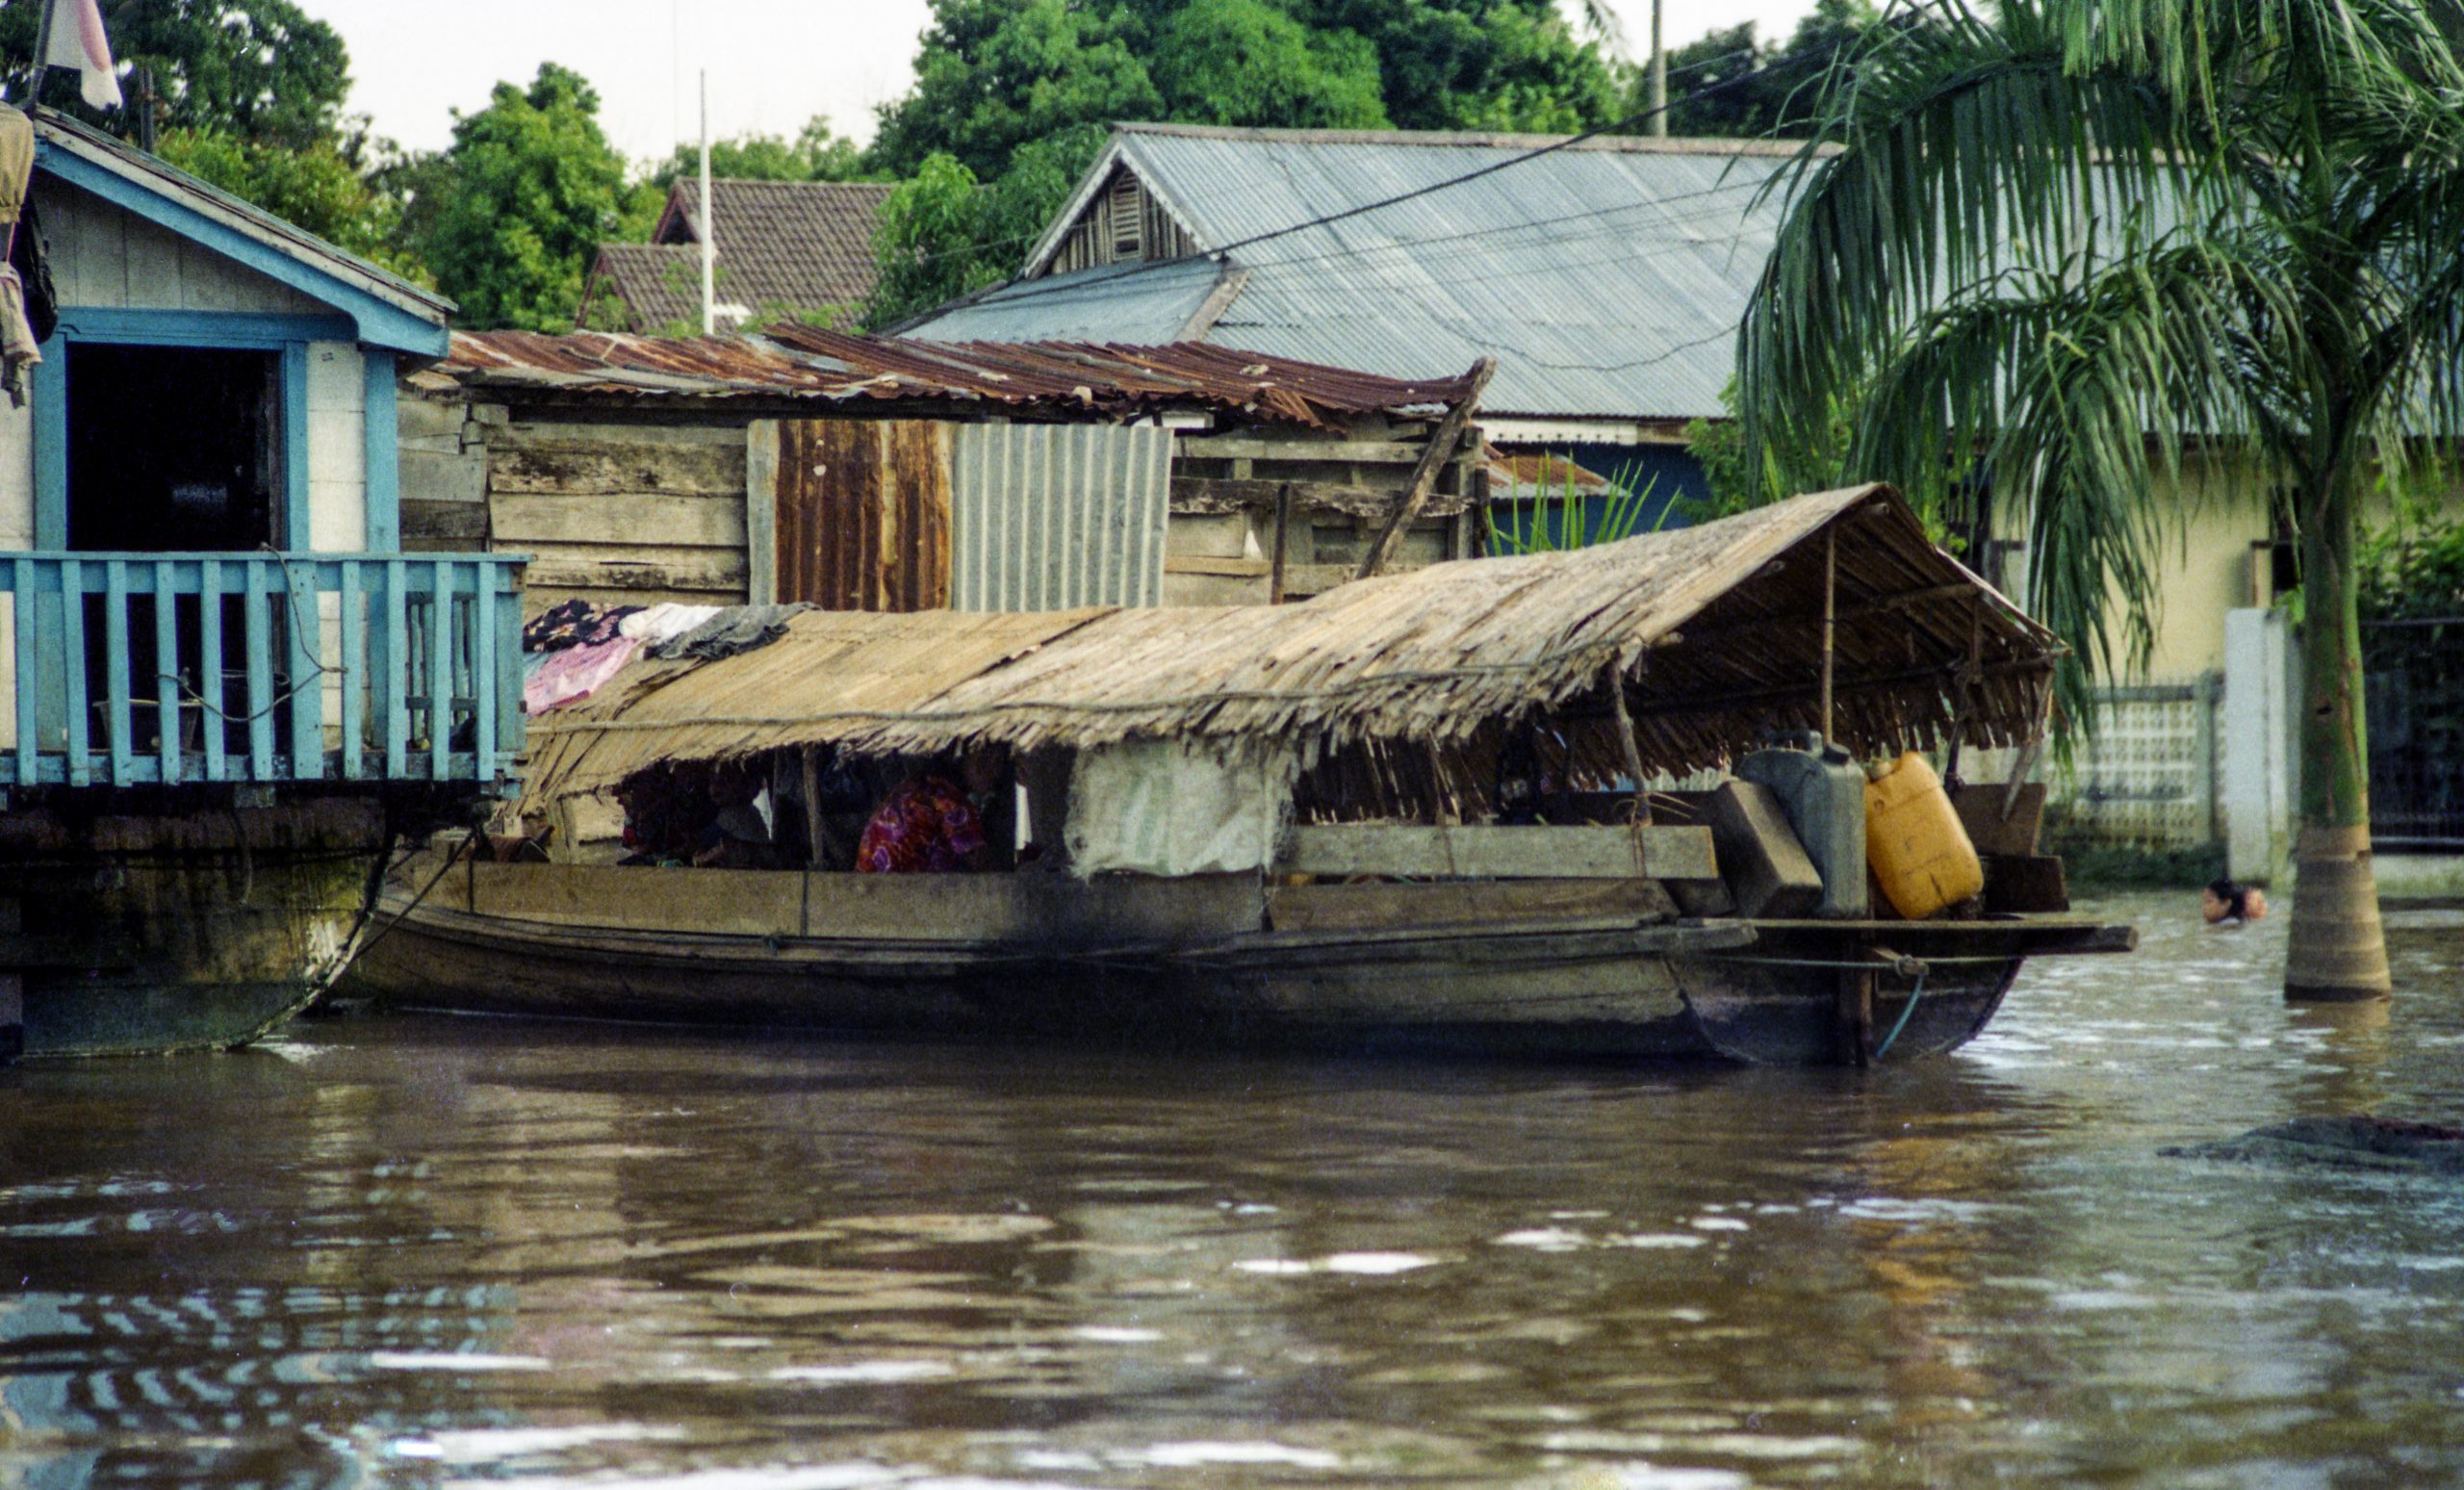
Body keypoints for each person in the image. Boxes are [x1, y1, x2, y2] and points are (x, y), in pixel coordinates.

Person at [855, 758, 988, 874]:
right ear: (959, 756)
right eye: (984, 758)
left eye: (999, 760)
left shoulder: (915, 785)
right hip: (897, 893)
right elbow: (982, 866)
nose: (992, 768)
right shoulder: (948, 798)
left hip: (866, 890)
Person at [2201, 877, 2269, 924]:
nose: (2203, 907)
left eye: (2209, 901)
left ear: (2226, 904)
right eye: (2204, 902)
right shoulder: (2238, 922)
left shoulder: (2227, 926)